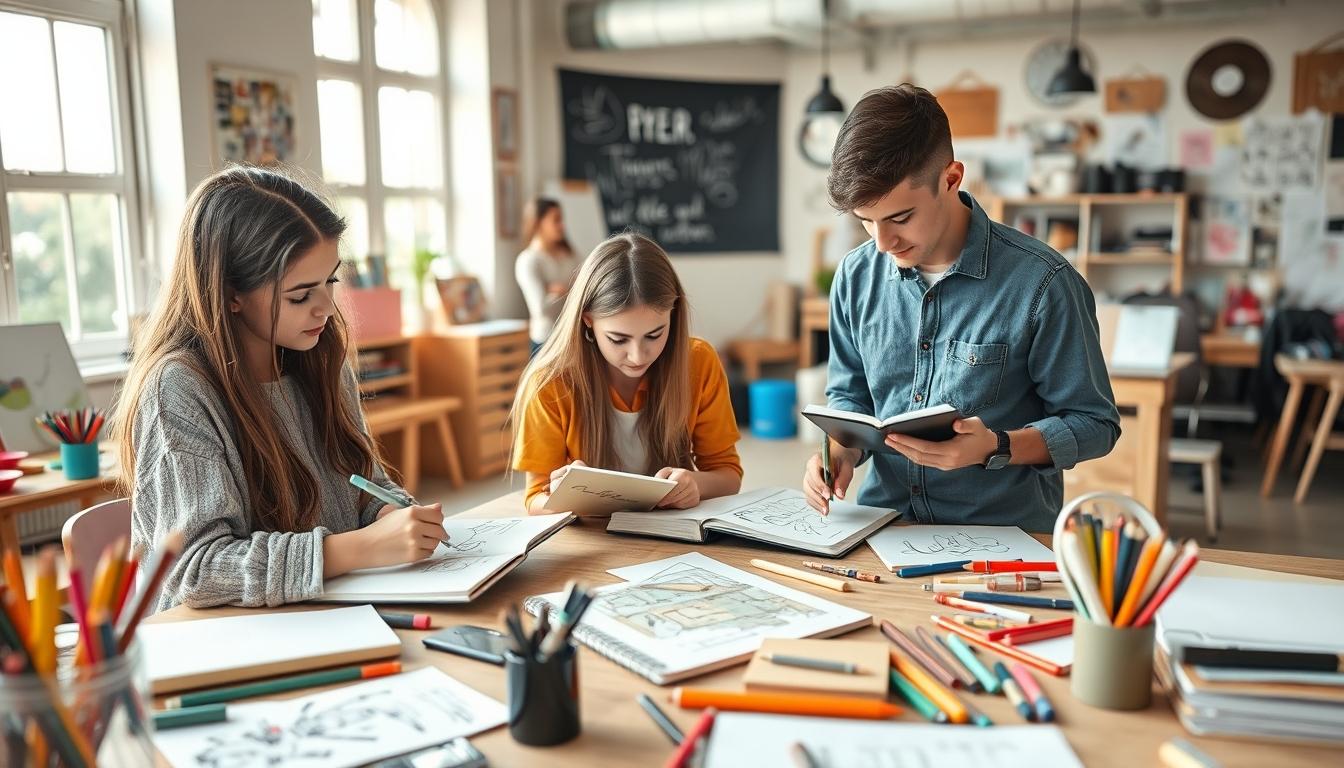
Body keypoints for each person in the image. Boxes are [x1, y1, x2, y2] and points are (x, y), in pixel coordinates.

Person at [115, 167, 445, 611]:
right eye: (300, 295)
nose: (326, 308)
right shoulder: (177, 389)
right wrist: (361, 548)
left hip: (325, 614)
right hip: (221, 644)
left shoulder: (320, 360)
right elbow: (197, 572)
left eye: (330, 281)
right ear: (232, 293)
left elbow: (365, 485)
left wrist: (390, 514)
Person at [801, 85, 1120, 532]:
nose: (882, 243)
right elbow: (850, 398)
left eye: (899, 218)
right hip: (884, 527)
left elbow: (1095, 425)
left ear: (951, 179)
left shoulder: (1044, 283)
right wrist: (837, 452)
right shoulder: (856, 275)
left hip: (1004, 538)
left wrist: (996, 445)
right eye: (865, 221)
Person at [511, 232, 743, 514]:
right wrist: (564, 496)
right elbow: (535, 498)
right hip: (594, 539)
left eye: (655, 335)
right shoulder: (550, 384)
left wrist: (696, 483)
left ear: (673, 313)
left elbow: (728, 475)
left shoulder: (698, 362)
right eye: (618, 339)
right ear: (587, 320)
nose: (637, 356)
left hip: (675, 534)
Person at [515, 198, 581, 354]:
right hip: (546, 342)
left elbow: (587, 285)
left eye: (562, 219)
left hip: (573, 338)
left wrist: (555, 291)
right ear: (538, 223)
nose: (562, 225)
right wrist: (571, 290)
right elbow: (540, 309)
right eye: (556, 220)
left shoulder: (571, 255)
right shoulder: (528, 260)